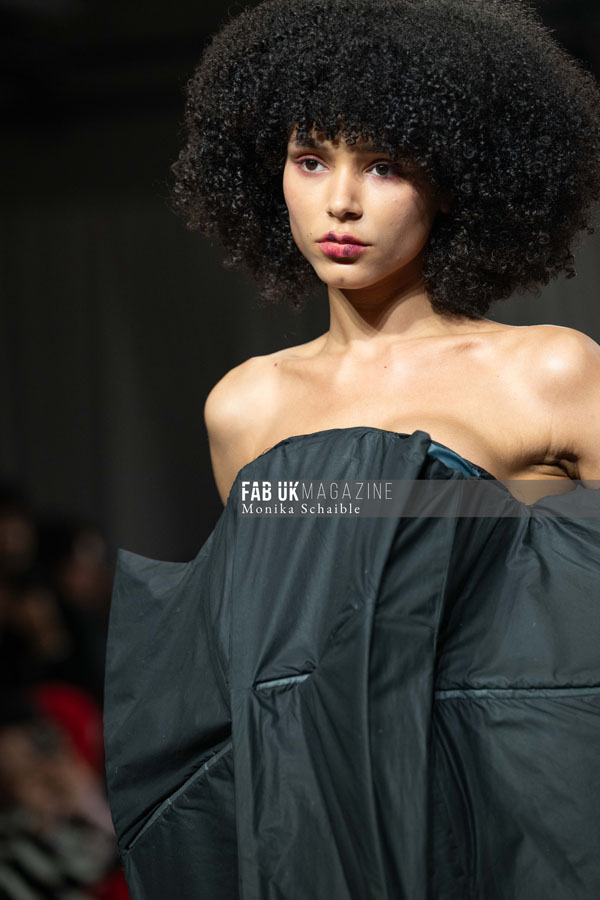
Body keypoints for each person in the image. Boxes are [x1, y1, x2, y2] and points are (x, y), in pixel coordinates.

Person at [103, 2, 600, 898]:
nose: (340, 200)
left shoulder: (551, 372)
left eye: (384, 164)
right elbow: (270, 656)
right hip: (318, 832)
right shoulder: (247, 407)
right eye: (310, 159)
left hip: (510, 827)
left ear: (453, 181)